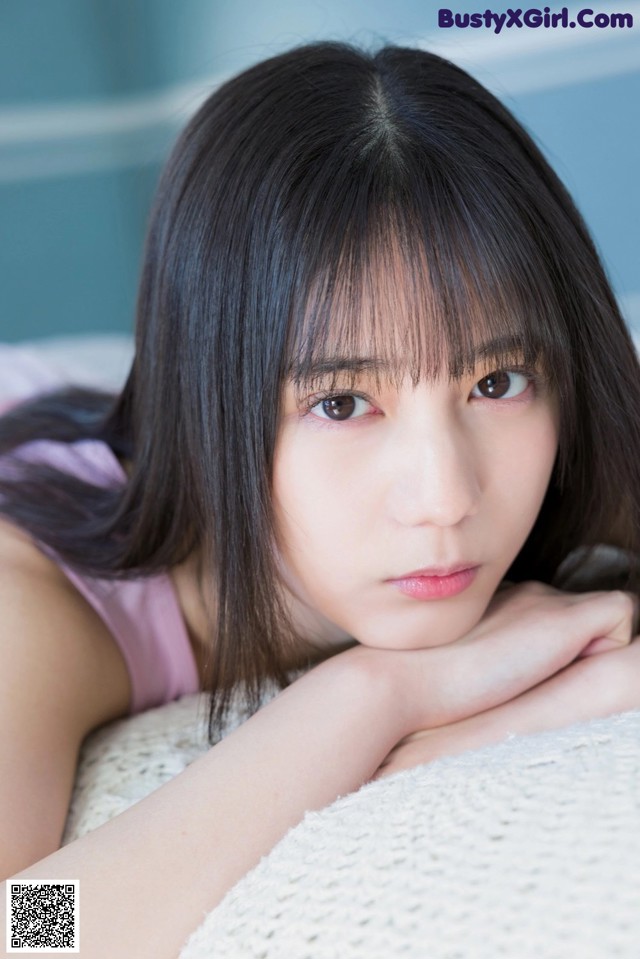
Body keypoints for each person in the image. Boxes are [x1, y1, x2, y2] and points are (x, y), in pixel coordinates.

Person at [1, 39, 639, 959]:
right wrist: (381, 693)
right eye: (343, 402)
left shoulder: (580, 442)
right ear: (211, 401)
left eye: (496, 382)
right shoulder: (35, 600)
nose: (446, 497)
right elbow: (30, 931)